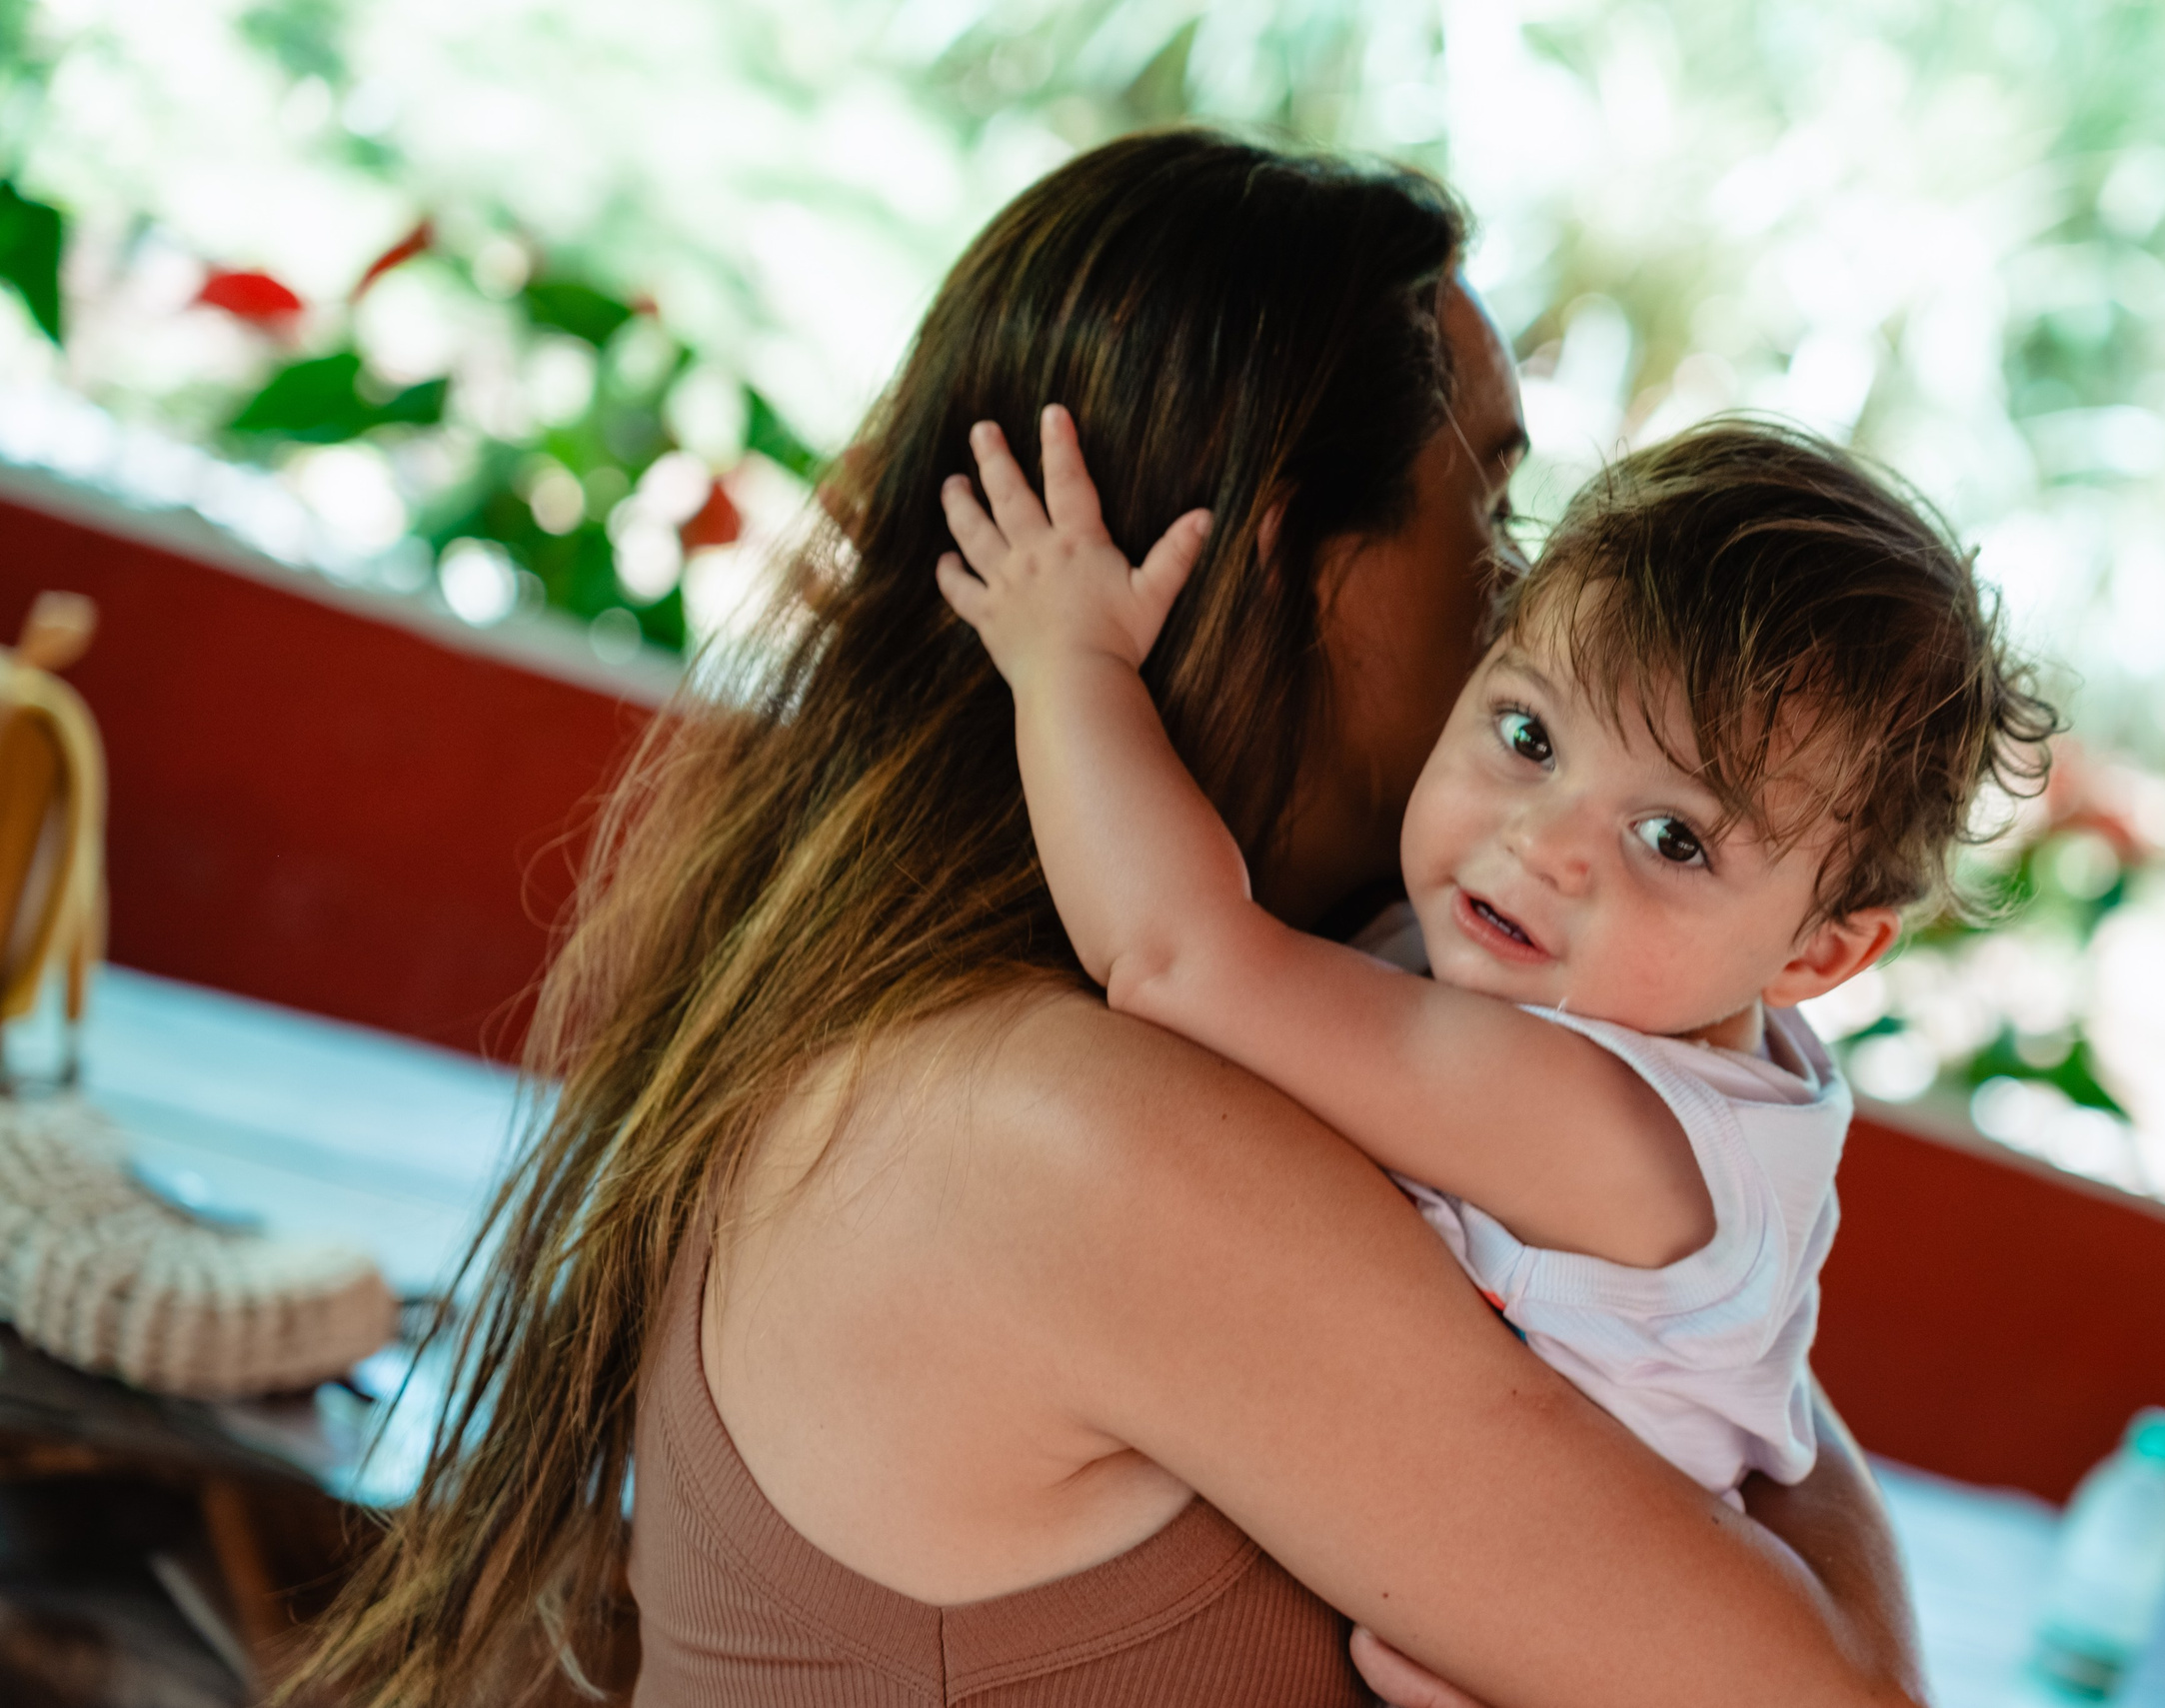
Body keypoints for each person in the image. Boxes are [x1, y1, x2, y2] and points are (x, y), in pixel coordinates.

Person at [291, 130, 1929, 1708]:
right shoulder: (1072, 1133)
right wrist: (1815, 1554)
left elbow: (1689, 1316)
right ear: (1293, 559)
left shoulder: (1024, 1019)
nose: (1537, 614)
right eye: (1493, 522)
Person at [937, 410, 2055, 1525]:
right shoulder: (1622, 993)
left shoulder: (1609, 1121)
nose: (1542, 843)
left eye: (1673, 838)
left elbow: (1174, 957)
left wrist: (1069, 658)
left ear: (1818, 950)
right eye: (1529, 736)